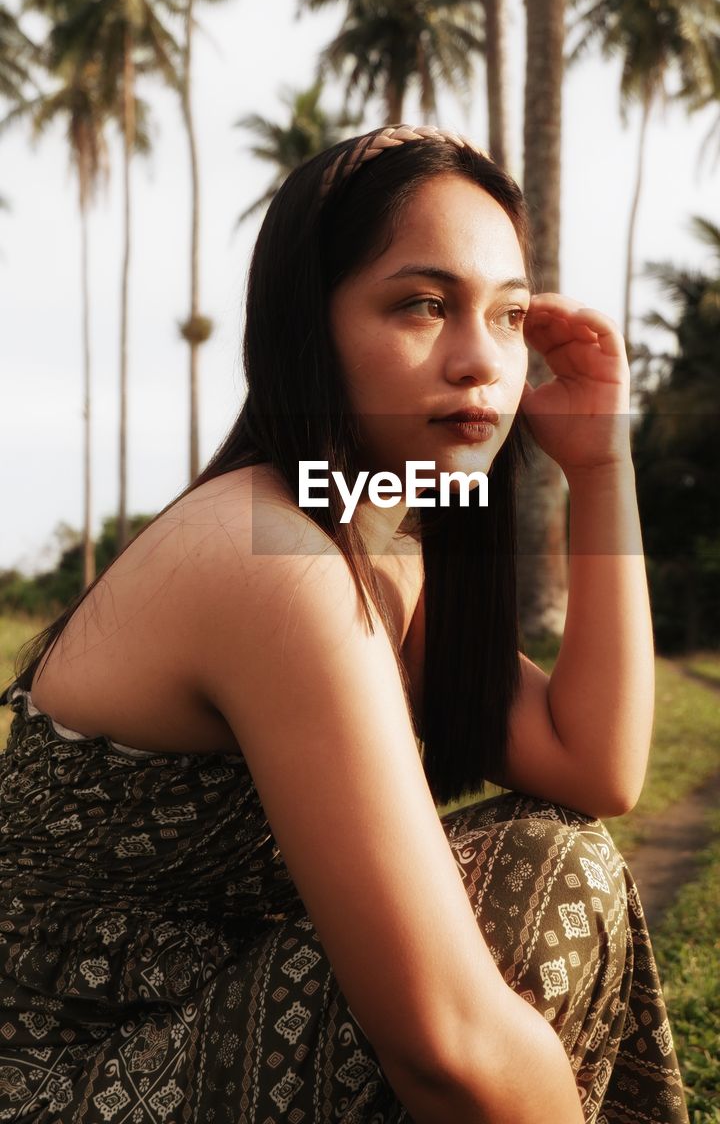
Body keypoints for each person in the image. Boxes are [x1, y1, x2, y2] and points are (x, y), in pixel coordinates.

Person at [0, 124, 688, 1124]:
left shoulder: (373, 544)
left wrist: (600, 464)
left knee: (548, 854)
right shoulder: (266, 558)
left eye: (507, 316)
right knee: (541, 880)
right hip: (59, 1088)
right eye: (423, 303)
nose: (479, 361)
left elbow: (596, 765)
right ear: (305, 327)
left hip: (185, 1034)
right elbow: (450, 1049)